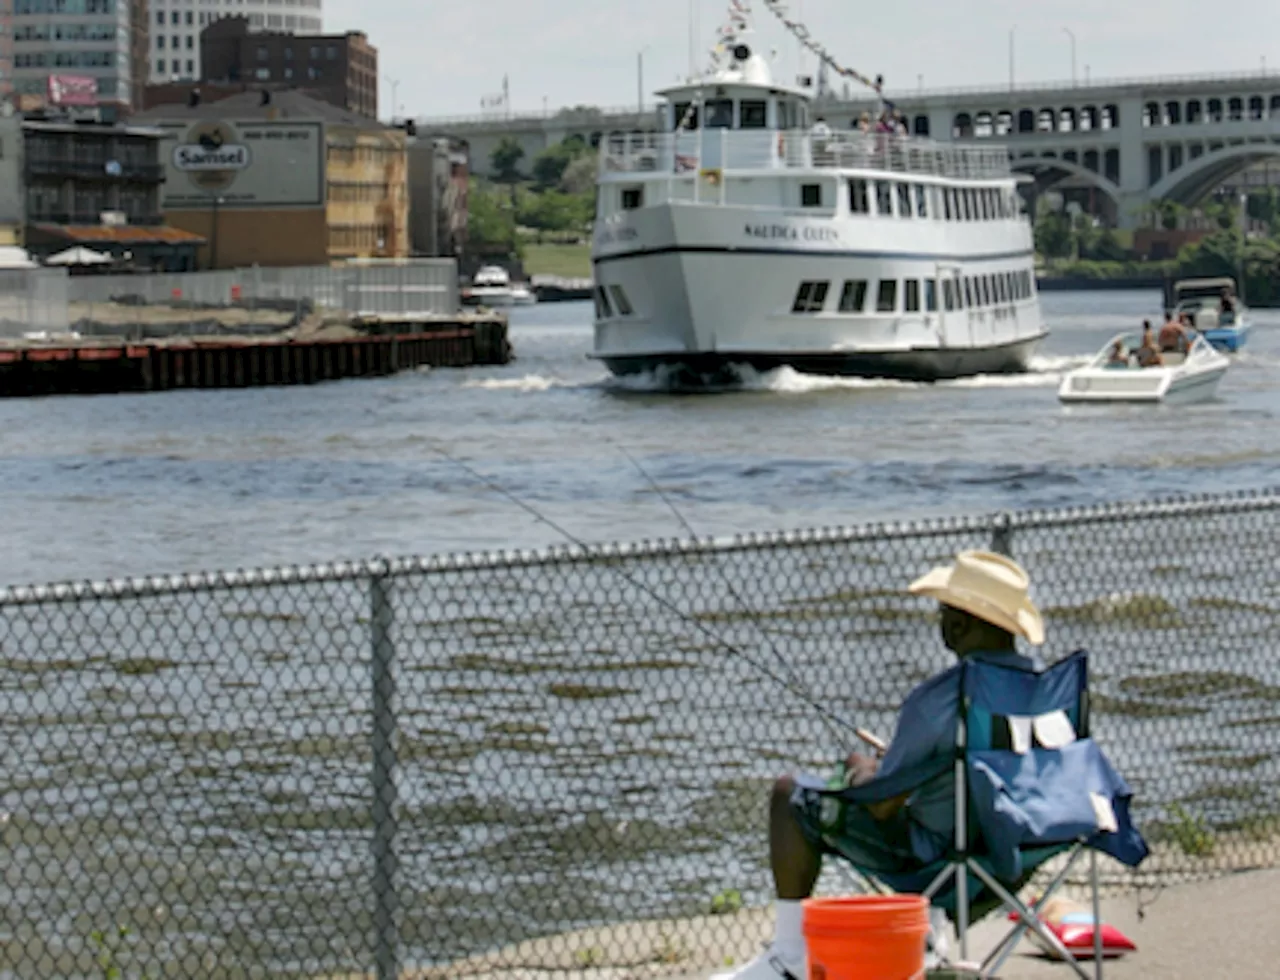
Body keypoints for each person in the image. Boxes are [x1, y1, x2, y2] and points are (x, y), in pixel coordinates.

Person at [713, 551, 1046, 980]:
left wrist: (861, 769)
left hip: (943, 862)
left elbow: (882, 806)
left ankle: (790, 955)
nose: (940, 621)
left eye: (943, 611)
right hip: (1017, 856)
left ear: (960, 623)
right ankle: (928, 935)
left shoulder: (938, 698)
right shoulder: (1042, 685)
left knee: (789, 794)